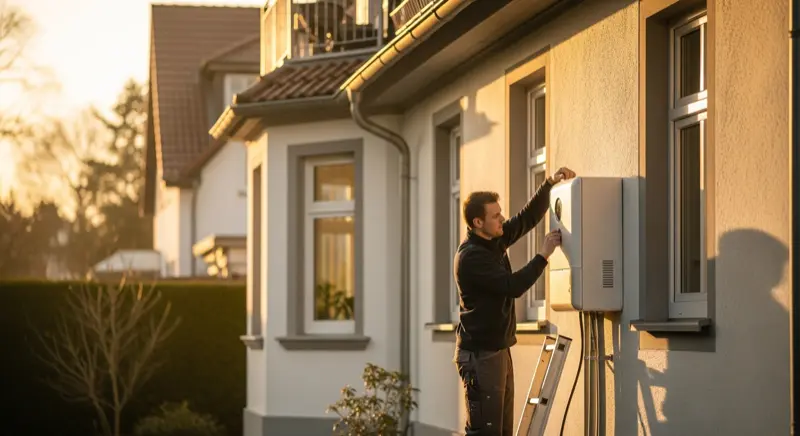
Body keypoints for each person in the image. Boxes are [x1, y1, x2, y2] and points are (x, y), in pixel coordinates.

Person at [453, 167, 576, 436]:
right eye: (495, 216)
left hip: (497, 351)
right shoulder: (471, 257)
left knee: (502, 430)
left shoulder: (493, 240)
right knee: (486, 432)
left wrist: (549, 183)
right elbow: (513, 286)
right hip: (480, 356)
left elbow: (526, 218)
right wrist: (544, 255)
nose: (502, 219)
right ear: (478, 223)